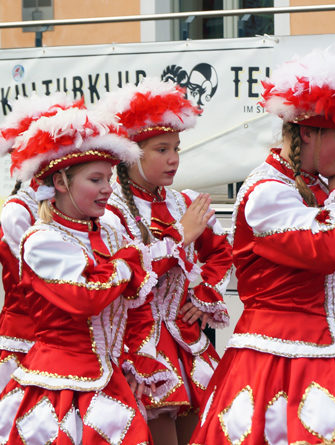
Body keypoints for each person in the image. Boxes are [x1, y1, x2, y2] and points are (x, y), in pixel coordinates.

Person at [190, 47, 335, 445]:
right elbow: (325, 252)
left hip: (330, 351)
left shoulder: (317, 191)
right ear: (308, 132)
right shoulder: (268, 193)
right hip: (275, 358)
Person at [0, 105, 211, 444]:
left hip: (113, 381)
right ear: (60, 182)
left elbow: (138, 302)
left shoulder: (110, 230)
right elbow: (87, 296)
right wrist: (129, 263)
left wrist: (136, 361)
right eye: (95, 180)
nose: (107, 190)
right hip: (61, 388)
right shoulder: (42, 238)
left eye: (109, 180)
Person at [101, 78, 233, 445]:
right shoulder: (111, 212)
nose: (173, 158)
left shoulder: (183, 202)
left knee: (203, 435)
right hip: (139, 346)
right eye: (162, 149)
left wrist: (203, 295)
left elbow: (222, 250)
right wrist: (180, 237)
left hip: (186, 343)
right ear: (130, 155)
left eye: (177, 148)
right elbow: (130, 276)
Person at [0, 93, 81, 390]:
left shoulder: (76, 205)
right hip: (27, 341)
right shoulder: (17, 211)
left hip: (71, 344)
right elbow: (39, 282)